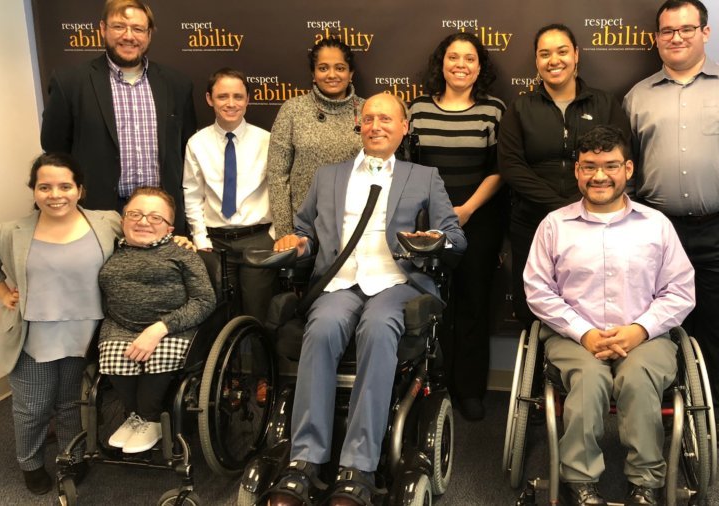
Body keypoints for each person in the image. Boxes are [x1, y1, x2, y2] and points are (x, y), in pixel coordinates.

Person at [267, 93, 466, 506]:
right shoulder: (328, 175)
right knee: (321, 330)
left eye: (386, 119)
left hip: (396, 282)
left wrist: (435, 241)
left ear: (403, 127)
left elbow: (456, 237)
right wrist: (296, 241)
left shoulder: (423, 176)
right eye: (369, 118)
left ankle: (357, 466)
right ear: (359, 125)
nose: (376, 125)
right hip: (339, 282)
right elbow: (304, 231)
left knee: (378, 329)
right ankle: (304, 461)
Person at [524, 126, 695, 506]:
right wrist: (583, 333)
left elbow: (680, 292)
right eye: (589, 167)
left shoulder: (656, 225)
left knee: (638, 377)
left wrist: (639, 330)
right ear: (577, 172)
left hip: (645, 337)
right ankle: (580, 481)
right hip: (573, 337)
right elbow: (537, 290)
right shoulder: (554, 225)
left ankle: (645, 483)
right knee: (587, 379)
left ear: (628, 169)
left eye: (610, 165)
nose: (599, 175)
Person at [623, 0, 719, 448]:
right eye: (667, 31)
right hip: (657, 228)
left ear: (705, 32)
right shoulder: (636, 96)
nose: (677, 37)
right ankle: (670, 408)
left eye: (687, 28)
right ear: (657, 38)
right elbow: (630, 168)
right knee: (660, 325)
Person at [0, 153, 122, 495]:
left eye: (65, 186)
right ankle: (31, 464)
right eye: (45, 187)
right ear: (34, 191)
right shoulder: (12, 232)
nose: (56, 194)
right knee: (33, 407)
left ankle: (72, 456)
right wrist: (3, 295)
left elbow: (141, 242)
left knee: (71, 403)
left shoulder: (106, 222)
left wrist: (180, 242)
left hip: (84, 334)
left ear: (80, 189)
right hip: (34, 335)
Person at [498, 23, 630, 329]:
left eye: (561, 51)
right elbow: (512, 166)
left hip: (596, 222)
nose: (553, 60)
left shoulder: (605, 104)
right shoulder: (520, 108)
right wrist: (560, 207)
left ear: (576, 55)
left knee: (590, 304)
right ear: (536, 61)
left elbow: (620, 161)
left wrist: (581, 208)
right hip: (532, 220)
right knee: (531, 305)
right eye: (544, 54)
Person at [408, 32, 506, 421]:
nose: (460, 64)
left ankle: (469, 390)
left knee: (472, 305)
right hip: (424, 221)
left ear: (479, 67)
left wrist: (465, 210)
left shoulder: (493, 110)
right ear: (442, 63)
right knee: (427, 304)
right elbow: (408, 167)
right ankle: (430, 385)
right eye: (453, 57)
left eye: (469, 58)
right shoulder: (416, 110)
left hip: (477, 219)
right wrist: (432, 214)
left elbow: (500, 170)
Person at [40, 0, 196, 233]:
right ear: (103, 29)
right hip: (96, 213)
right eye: (119, 27)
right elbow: (55, 147)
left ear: (149, 34)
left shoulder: (177, 84)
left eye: (138, 29)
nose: (128, 36)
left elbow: (186, 146)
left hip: (161, 214)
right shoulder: (70, 82)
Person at [98, 187, 216, 454]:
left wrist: (161, 328)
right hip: (121, 324)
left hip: (173, 327)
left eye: (155, 218)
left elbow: (204, 301)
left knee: (158, 356)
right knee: (116, 356)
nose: (143, 222)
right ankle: (135, 416)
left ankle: (151, 419)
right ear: (123, 220)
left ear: (169, 227)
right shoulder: (110, 249)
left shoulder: (183, 253)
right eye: (135, 214)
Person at [183, 67, 275, 324]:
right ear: (209, 99)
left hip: (257, 239)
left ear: (248, 99)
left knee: (258, 317)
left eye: (238, 96)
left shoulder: (267, 141)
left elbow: (280, 190)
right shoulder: (197, 143)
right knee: (219, 317)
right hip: (215, 243)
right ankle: (224, 366)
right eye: (223, 97)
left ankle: (260, 365)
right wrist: (201, 239)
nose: (231, 103)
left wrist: (274, 234)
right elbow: (192, 194)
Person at [267, 38, 364, 238]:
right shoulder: (293, 110)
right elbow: (277, 175)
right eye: (323, 68)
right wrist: (286, 233)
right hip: (303, 229)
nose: (332, 75)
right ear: (313, 74)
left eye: (340, 68)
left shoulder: (368, 110)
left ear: (350, 73)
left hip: (357, 225)